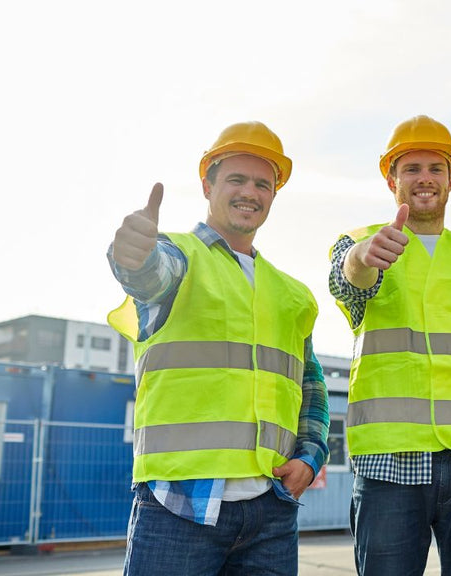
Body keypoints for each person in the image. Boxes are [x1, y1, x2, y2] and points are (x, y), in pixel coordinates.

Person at [107, 121, 329, 576]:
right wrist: (132, 254)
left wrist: (310, 456)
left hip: (270, 511)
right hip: (178, 507)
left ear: (273, 195)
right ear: (207, 185)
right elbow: (148, 273)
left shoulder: (292, 294)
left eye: (262, 183)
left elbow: (311, 388)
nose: (250, 192)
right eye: (236, 179)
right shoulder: (177, 255)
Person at [328, 115, 451, 575]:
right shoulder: (360, 244)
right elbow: (348, 283)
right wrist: (363, 259)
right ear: (391, 179)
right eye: (411, 168)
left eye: (435, 168)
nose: (424, 178)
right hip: (388, 469)